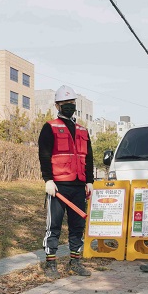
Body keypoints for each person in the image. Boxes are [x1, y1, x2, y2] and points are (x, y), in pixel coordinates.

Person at [38, 85, 94, 279]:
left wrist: (89, 181)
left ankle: (75, 262)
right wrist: (48, 180)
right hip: (58, 187)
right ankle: (50, 263)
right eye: (65, 103)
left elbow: (89, 158)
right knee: (53, 226)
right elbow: (44, 155)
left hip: (79, 186)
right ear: (57, 105)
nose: (68, 106)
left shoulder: (83, 130)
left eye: (71, 103)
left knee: (77, 226)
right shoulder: (50, 127)